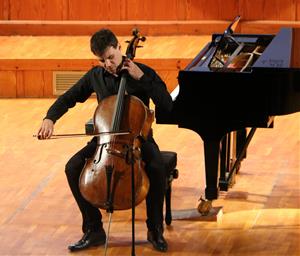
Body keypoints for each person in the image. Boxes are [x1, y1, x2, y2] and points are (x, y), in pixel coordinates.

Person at [37, 28, 173, 252]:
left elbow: (166, 104)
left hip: (139, 138)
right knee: (72, 167)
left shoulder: (143, 72)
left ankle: (154, 229)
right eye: (102, 60)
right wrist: (49, 118)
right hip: (105, 139)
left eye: (111, 57)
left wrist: (142, 79)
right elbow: (69, 97)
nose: (108, 64)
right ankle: (93, 230)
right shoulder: (95, 76)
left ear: (120, 48)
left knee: (157, 168)